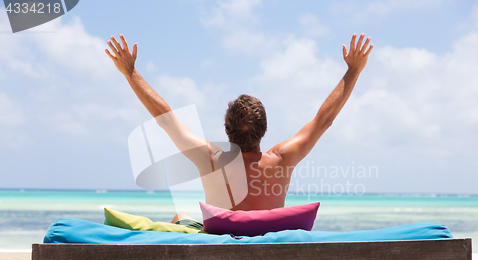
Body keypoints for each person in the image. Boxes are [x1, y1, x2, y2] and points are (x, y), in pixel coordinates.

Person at [105, 33, 373, 229]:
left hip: (219, 249)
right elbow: (323, 121)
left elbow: (166, 120)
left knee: (179, 218)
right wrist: (353, 71)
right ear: (264, 130)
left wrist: (130, 73)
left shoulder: (211, 159)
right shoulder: (282, 159)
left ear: (226, 129)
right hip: (266, 249)